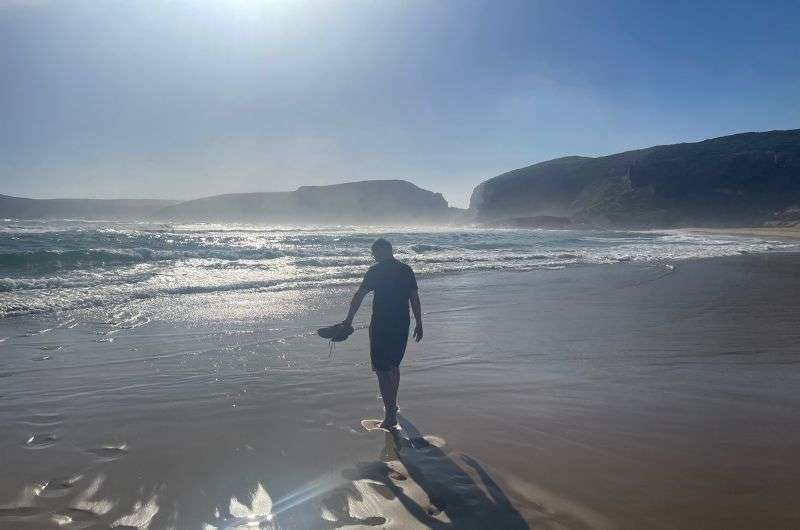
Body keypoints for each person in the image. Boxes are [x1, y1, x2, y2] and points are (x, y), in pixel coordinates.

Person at [342, 238, 422, 428]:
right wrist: (419, 322)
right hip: (402, 323)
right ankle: (393, 406)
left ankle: (390, 414)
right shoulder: (406, 269)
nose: (373, 255)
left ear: (385, 250)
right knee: (393, 365)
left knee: (381, 370)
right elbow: (414, 297)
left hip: (381, 324)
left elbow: (359, 295)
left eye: (374, 251)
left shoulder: (376, 271)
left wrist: (348, 321)